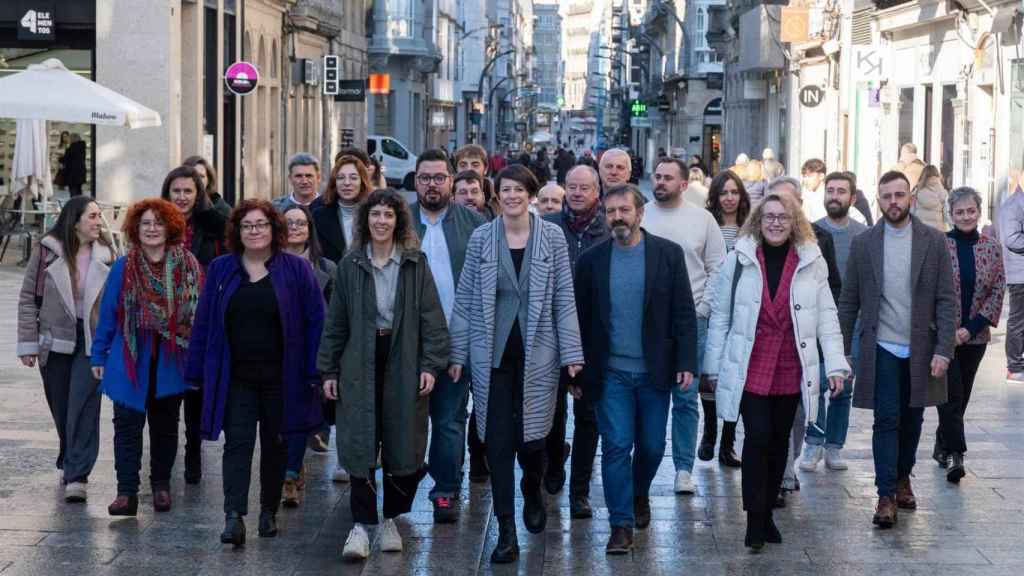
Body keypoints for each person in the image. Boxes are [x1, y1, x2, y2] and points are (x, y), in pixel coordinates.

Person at [448, 164, 584, 563]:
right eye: (504, 190)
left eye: (518, 190)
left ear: (531, 195)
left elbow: (563, 297)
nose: (511, 196)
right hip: (492, 354)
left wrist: (573, 354)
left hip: (540, 352)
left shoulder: (553, 238)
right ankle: (506, 530)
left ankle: (533, 486)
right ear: (497, 195)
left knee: (533, 438)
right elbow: (467, 298)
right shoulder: (481, 238)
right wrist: (458, 354)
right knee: (498, 441)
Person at [703, 192, 849, 551]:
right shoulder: (738, 260)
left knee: (779, 440)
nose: (775, 222)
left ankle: (767, 511)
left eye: (783, 216)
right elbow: (720, 316)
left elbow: (828, 317)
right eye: (768, 216)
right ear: (757, 220)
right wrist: (713, 366)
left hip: (791, 362)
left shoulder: (811, 261)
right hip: (750, 360)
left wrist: (836, 364)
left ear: (794, 221)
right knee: (756, 438)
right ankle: (754, 518)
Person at [317, 188, 448, 559]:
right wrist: (328, 369)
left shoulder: (414, 264)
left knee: (402, 440)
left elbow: (433, 321)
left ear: (398, 221)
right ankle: (360, 526)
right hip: (358, 358)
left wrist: (430, 365)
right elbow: (336, 323)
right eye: (374, 215)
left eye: (388, 215)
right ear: (365, 221)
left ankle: (390, 518)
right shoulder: (350, 265)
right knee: (359, 441)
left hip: (402, 356)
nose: (381, 221)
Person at [186, 199, 326, 546]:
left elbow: (315, 322)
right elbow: (204, 322)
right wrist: (196, 370)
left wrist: (316, 371)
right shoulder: (221, 269)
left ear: (273, 229)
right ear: (237, 231)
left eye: (261, 224)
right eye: (247, 225)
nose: (254, 231)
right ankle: (233, 516)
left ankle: (268, 511)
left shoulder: (295, 269)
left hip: (283, 376)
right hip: (236, 377)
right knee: (237, 445)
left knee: (277, 446)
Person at [574, 183, 698, 554]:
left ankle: (639, 491)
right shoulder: (592, 261)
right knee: (616, 445)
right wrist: (575, 371)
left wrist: (687, 362)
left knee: (651, 446)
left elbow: (683, 313)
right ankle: (620, 524)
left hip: (654, 372)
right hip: (610, 372)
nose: (617, 218)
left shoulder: (667, 255)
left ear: (640, 213)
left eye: (623, 210)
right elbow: (579, 319)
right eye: (610, 212)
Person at [838, 170, 956, 528]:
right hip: (882, 345)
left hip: (921, 346)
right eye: (887, 196)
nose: (893, 202)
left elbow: (947, 300)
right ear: (878, 199)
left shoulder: (933, 241)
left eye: (899, 195)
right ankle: (885, 493)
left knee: (914, 418)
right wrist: (842, 351)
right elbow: (849, 301)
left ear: (911, 198)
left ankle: (904, 476)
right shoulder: (865, 243)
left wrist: (944, 349)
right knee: (886, 418)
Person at [90, 199, 204, 516]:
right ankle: (126, 492)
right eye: (145, 224)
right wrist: (98, 354)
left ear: (170, 228)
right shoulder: (123, 267)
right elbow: (108, 315)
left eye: (158, 223)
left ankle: (161, 487)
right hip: (129, 356)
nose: (152, 229)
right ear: (135, 230)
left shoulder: (188, 265)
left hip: (172, 359)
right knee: (126, 426)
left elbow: (198, 319)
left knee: (165, 427)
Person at [17, 196, 114, 503]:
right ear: (75, 222)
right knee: (61, 407)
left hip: (92, 341)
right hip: (54, 340)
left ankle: (77, 475)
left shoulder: (109, 253)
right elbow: (27, 298)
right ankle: (69, 454)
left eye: (100, 216)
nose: (99, 221)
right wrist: (28, 343)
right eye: (93, 216)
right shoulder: (46, 251)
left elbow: (116, 303)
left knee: (83, 405)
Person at [409, 149, 487, 522]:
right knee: (404, 418)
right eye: (425, 178)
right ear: (415, 182)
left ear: (452, 182)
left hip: (458, 340)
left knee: (450, 418)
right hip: (406, 341)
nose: (432, 185)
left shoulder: (474, 224)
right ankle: (402, 481)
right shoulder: (399, 221)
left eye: (439, 177)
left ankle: (445, 488)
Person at [642, 157, 726, 495]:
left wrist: (703, 308)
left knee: (687, 396)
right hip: (647, 320)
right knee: (649, 393)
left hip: (690, 318)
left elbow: (719, 267)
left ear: (683, 184)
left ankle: (683, 468)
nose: (660, 182)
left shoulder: (702, 220)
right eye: (657, 176)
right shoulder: (642, 214)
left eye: (668, 178)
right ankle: (645, 462)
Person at [761, 175, 842, 502]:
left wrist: (829, 345)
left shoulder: (819, 239)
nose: (780, 212)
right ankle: (767, 472)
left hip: (801, 343)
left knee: (795, 412)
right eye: (774, 202)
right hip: (764, 346)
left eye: (787, 204)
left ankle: (783, 471)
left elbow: (832, 288)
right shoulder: (752, 240)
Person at [542, 164, 610, 518]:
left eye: (585, 187)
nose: (578, 193)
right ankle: (554, 462)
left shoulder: (608, 230)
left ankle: (579, 491)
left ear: (597, 191)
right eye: (572, 187)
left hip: (592, 337)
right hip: (550, 336)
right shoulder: (547, 227)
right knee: (550, 414)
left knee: (588, 417)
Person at [798, 172, 868, 473]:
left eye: (841, 191)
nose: (834, 196)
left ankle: (834, 446)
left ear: (852, 198)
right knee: (816, 380)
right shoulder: (810, 232)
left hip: (851, 322)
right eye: (830, 190)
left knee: (844, 386)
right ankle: (813, 442)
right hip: (814, 319)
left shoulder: (864, 234)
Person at [161, 164, 227, 484]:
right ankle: (165, 458)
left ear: (198, 194)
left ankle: (193, 452)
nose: (183, 197)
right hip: (163, 322)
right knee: (166, 395)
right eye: (177, 191)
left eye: (189, 191)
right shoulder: (156, 223)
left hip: (202, 318)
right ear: (168, 193)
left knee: (195, 392)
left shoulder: (214, 224)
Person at [933, 187, 1004, 483]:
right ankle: (955, 455)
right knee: (950, 395)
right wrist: (948, 330)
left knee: (961, 399)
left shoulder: (991, 247)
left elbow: (997, 290)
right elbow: (929, 290)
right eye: (959, 212)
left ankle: (942, 443)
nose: (965, 216)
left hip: (975, 338)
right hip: (942, 336)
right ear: (951, 214)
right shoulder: (938, 245)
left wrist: (970, 329)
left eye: (970, 211)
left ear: (978, 212)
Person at [280, 204, 338, 504]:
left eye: (301, 223)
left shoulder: (327, 268)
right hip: (274, 353)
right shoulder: (266, 264)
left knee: (297, 414)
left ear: (310, 228)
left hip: (311, 353)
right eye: (289, 222)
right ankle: (291, 466)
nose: (295, 228)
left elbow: (335, 318)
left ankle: (289, 476)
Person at [698, 169, 751, 467]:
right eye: (724, 193)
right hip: (712, 307)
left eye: (734, 192)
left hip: (742, 310)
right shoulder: (706, 225)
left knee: (736, 377)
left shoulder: (750, 227)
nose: (729, 198)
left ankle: (728, 442)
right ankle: (709, 432)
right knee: (709, 373)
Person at [313, 154, 372, 264]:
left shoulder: (373, 214)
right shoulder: (319, 216)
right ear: (334, 183)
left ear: (362, 182)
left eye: (353, 178)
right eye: (341, 178)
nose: (347, 183)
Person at [997, 182, 1024, 383]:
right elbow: (1012, 239)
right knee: (1018, 322)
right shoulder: (1013, 205)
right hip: (1020, 275)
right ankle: (1014, 368)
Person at [912, 164, 949, 231]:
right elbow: (947, 215)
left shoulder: (917, 190)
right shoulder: (942, 192)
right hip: (938, 231)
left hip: (920, 230)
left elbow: (912, 212)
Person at [801, 159, 828, 223]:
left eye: (810, 176)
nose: (806, 180)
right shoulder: (806, 194)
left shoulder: (827, 196)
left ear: (821, 176)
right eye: (804, 176)